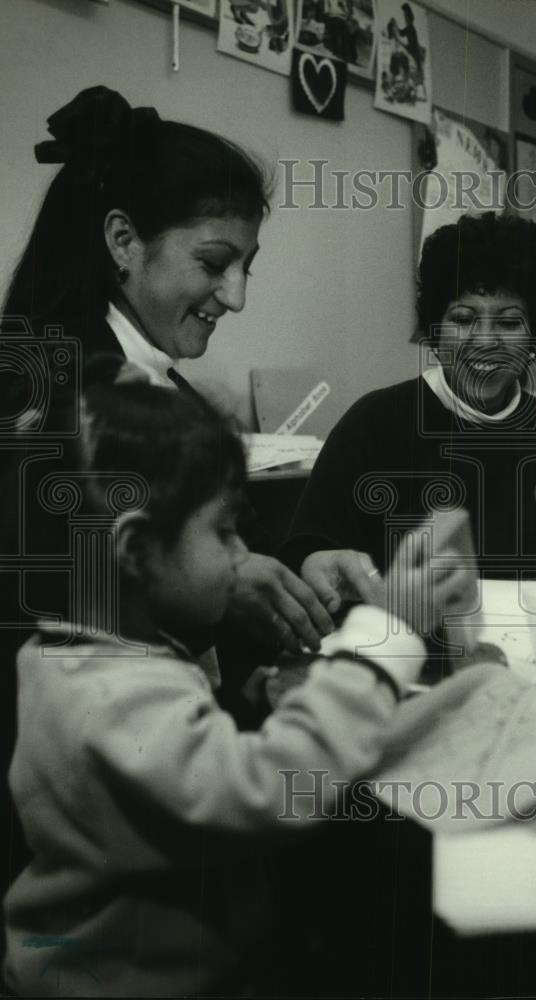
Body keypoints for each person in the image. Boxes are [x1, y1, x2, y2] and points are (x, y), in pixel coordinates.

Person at [2, 361, 458, 998]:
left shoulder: (80, 656)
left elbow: (166, 773)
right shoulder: (111, 697)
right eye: (224, 533)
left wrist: (241, 707)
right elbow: (268, 792)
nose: (243, 556)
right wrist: (385, 643)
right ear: (135, 550)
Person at [0, 84, 340, 661]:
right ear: (124, 241)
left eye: (245, 270)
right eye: (213, 263)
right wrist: (228, 583)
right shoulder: (49, 397)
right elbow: (44, 601)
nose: (235, 298)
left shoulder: (164, 386)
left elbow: (235, 536)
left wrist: (302, 562)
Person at [282, 213, 536, 616]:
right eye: (463, 319)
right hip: (400, 651)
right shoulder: (376, 421)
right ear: (435, 331)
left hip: (524, 649)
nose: (485, 341)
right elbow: (305, 551)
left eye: (508, 322)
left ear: (534, 335)